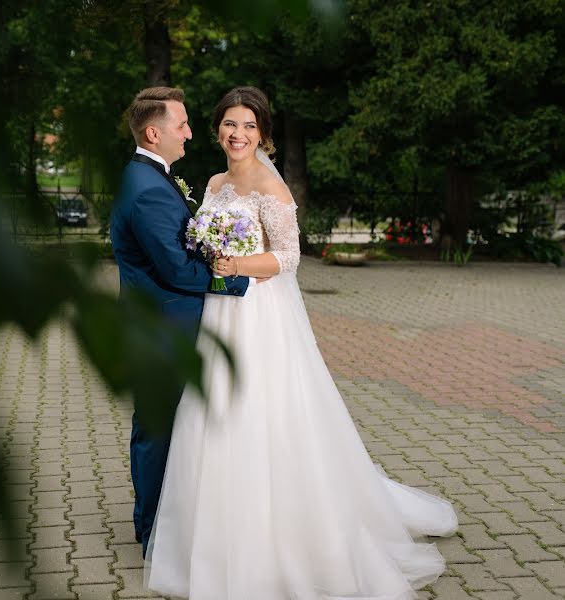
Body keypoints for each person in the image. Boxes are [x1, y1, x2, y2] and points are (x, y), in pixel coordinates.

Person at [144, 86, 458, 599]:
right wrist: (208, 258)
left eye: (248, 125)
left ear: (262, 133)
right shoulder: (214, 180)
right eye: (229, 124)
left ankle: (282, 542)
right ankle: (212, 540)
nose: (237, 134)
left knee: (263, 414)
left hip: (261, 315)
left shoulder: (273, 187)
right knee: (214, 414)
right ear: (217, 129)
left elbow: (289, 257)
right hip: (221, 313)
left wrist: (238, 264)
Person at [109, 86, 251, 557]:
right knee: (157, 430)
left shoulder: (153, 177)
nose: (191, 133)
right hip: (162, 330)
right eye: (182, 125)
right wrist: (233, 280)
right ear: (154, 133)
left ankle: (162, 523)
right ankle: (151, 534)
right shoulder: (149, 189)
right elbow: (176, 268)